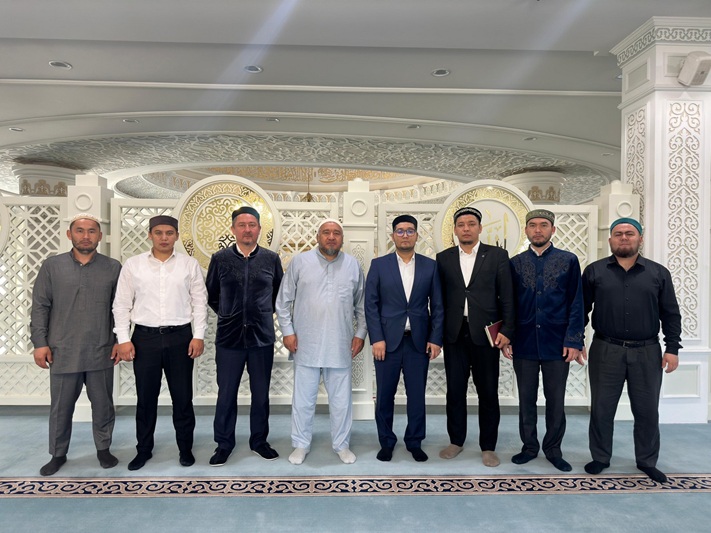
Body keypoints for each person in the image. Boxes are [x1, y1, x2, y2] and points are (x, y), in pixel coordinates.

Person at [582, 217, 681, 483]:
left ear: (640, 239)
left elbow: (671, 314)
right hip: (606, 349)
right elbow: (580, 310)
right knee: (602, 409)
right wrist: (576, 340)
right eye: (618, 234)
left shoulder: (659, 273)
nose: (624, 238)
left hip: (647, 352)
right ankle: (600, 457)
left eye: (629, 233)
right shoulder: (594, 271)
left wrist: (672, 348)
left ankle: (647, 461)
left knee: (647, 411)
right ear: (610, 239)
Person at [113, 215, 208, 471]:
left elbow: (200, 303)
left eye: (169, 233)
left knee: (183, 397)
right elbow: (121, 304)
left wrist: (198, 335)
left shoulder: (189, 264)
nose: (164, 238)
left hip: (180, 337)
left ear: (176, 235)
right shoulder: (133, 265)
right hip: (145, 338)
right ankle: (143, 450)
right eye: (158, 233)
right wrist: (123, 339)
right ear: (150, 235)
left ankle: (185, 449)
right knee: (146, 398)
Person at [30, 213, 122, 476]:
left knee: (103, 405)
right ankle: (58, 454)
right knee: (61, 407)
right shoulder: (52, 266)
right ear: (69, 234)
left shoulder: (113, 267)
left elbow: (121, 308)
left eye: (92, 231)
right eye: (80, 231)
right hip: (62, 350)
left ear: (99, 236)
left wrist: (119, 340)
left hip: (101, 349)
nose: (85, 236)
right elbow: (40, 306)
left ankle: (103, 449)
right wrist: (40, 343)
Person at [276, 219, 367, 465]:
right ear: (318, 237)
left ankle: (342, 445)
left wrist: (360, 334)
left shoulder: (352, 265)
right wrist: (288, 332)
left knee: (341, 402)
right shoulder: (300, 262)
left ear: (342, 239)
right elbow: (283, 301)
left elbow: (362, 305)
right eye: (326, 232)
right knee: (303, 400)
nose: (331, 237)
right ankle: (300, 444)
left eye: (336, 233)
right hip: (306, 343)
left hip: (340, 344)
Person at [435, 206, 515, 467]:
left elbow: (508, 296)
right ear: (455, 230)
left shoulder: (497, 255)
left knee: (488, 392)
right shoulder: (444, 258)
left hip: (486, 335)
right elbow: (438, 300)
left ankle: (488, 446)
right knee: (455, 391)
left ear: (480, 228)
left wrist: (507, 331)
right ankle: (456, 441)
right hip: (455, 334)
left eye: (471, 224)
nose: (466, 228)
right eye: (461, 225)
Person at [205, 206, 284, 466]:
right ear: (233, 229)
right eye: (242, 225)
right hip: (229, 339)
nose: (247, 229)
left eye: (252, 225)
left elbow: (278, 295)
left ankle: (259, 441)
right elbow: (212, 294)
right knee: (226, 394)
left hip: (261, 338)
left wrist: (260, 313)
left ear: (259, 229)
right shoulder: (220, 259)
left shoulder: (271, 259)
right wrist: (229, 314)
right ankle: (223, 444)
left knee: (260, 394)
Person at [509, 209, 584, 472]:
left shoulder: (568, 261)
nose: (538, 230)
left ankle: (553, 449)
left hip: (557, 343)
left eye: (543, 225)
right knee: (526, 400)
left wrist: (574, 340)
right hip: (524, 342)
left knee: (556, 400)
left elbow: (577, 303)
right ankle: (529, 447)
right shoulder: (516, 263)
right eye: (533, 225)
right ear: (526, 230)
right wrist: (507, 337)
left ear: (553, 230)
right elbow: (509, 304)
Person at [365, 214, 444, 462]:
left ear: (417, 235)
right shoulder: (379, 265)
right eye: (400, 231)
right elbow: (370, 305)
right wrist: (376, 338)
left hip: (418, 342)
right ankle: (386, 442)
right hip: (386, 343)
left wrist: (435, 339)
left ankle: (414, 441)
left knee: (417, 396)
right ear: (393, 236)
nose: (405, 235)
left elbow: (438, 306)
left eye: (410, 231)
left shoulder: (430, 266)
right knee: (384, 395)